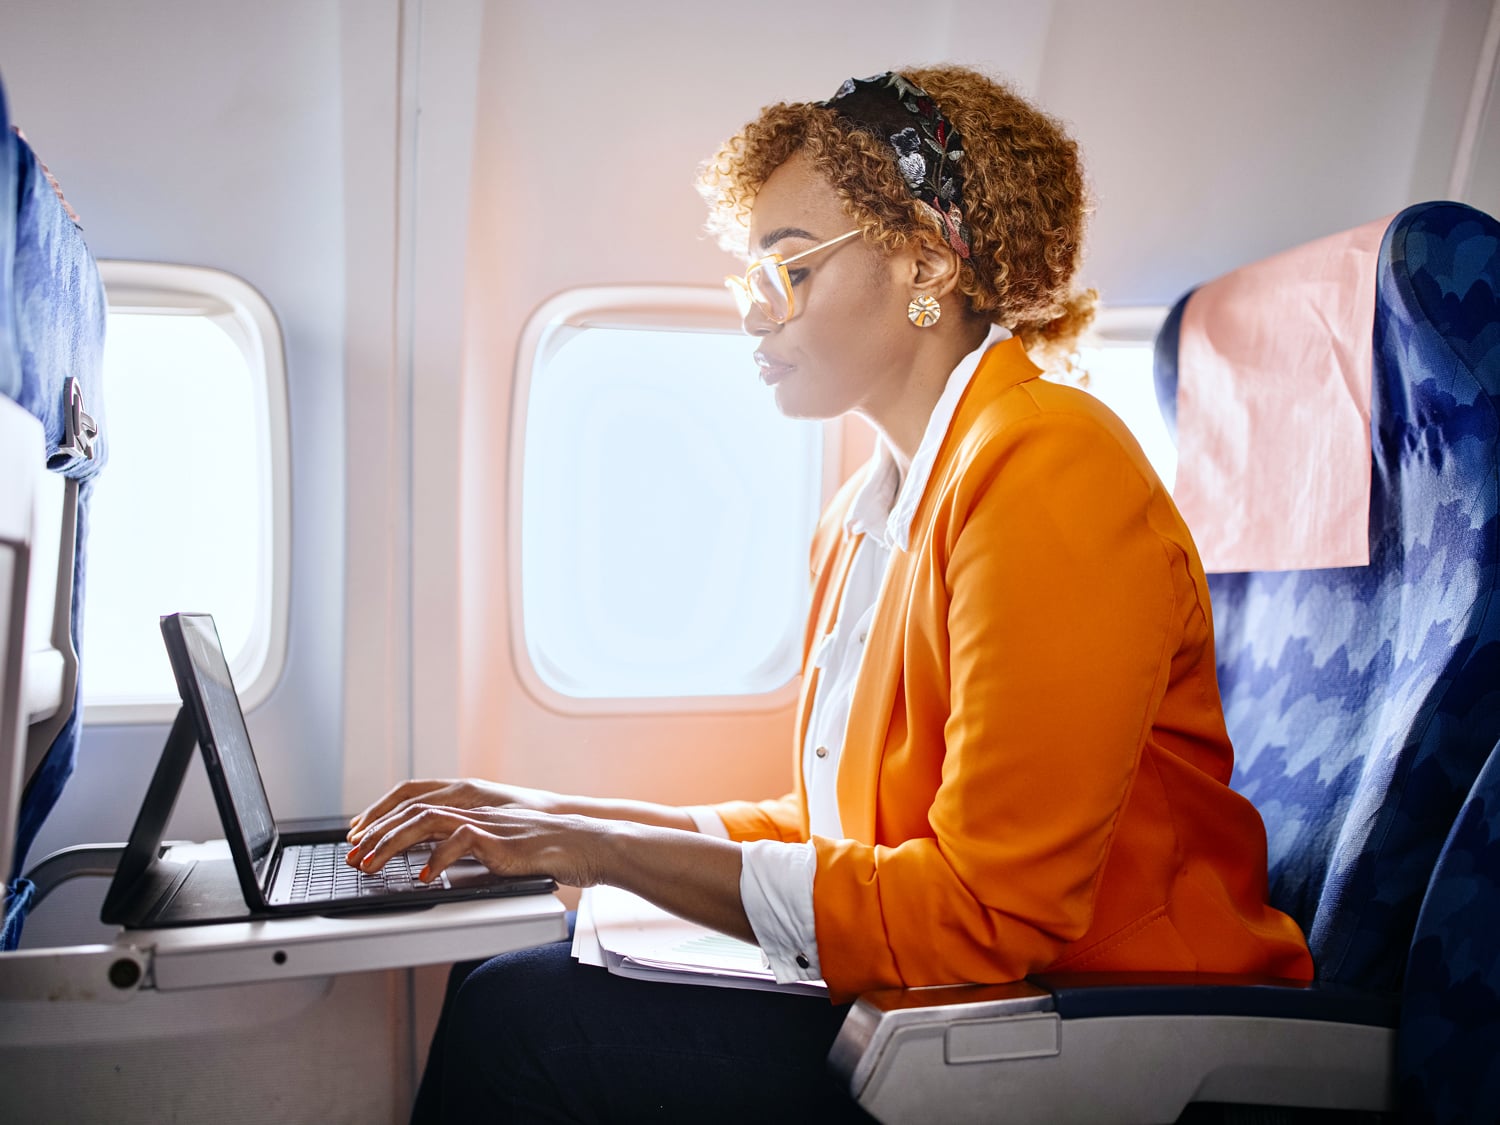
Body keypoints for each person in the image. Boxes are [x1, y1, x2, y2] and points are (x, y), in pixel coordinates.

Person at [346, 66, 1314, 1122]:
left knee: (523, 1022)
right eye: (753, 276)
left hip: (1095, 1023)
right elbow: (831, 827)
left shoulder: (1051, 468)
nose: (755, 316)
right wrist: (550, 818)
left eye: (792, 268)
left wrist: (598, 849)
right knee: (501, 977)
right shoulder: (866, 509)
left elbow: (988, 912)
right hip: (941, 1002)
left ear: (926, 258)